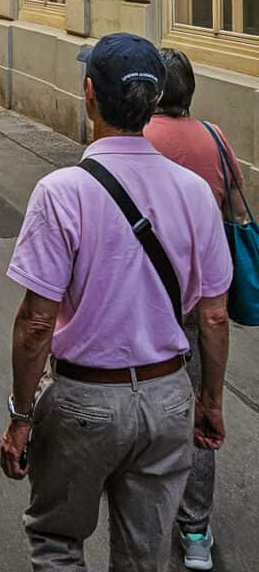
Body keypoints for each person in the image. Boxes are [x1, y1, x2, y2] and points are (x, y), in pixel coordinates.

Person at [0, 33, 232, 572]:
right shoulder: (194, 193)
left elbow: (37, 322)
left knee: (57, 544)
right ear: (153, 104)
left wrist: (21, 416)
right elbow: (214, 316)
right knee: (143, 556)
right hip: (168, 395)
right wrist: (211, 401)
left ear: (89, 95)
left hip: (84, 398)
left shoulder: (61, 192)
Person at [144, 48, 248, 569]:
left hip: (146, 298)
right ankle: (196, 533)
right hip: (204, 295)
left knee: (146, 401)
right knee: (203, 413)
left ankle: (142, 517)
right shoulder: (215, 138)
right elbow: (235, 206)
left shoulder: (138, 140)